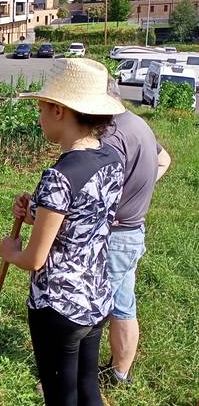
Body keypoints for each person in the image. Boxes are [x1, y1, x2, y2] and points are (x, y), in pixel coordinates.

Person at [0, 58, 126, 406]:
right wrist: (36, 213)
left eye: (41, 108)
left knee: (60, 397)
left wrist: (10, 252)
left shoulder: (59, 175)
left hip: (58, 307)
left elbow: (35, 259)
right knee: (87, 390)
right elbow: (87, 217)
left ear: (59, 110)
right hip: (96, 298)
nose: (39, 116)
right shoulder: (112, 158)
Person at [99, 78, 172, 385]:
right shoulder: (138, 123)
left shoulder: (113, 136)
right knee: (124, 303)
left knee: (100, 308)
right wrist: (138, 191)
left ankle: (88, 377)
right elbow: (164, 160)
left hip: (115, 236)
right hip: (133, 231)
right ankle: (119, 372)